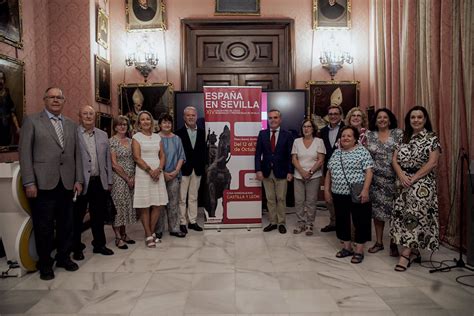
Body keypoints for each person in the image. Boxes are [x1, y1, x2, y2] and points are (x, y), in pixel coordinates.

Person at [19, 87, 83, 280]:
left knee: (66, 225)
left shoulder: (71, 125)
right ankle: (45, 263)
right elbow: (24, 154)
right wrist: (29, 182)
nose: (56, 100)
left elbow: (77, 155)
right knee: (44, 227)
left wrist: (78, 179)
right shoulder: (32, 121)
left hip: (66, 184)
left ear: (64, 101)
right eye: (52, 97)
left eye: (59, 97)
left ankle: (63, 257)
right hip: (42, 184)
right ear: (44, 100)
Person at [391, 106, 441, 271]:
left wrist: (414, 178)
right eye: (413, 117)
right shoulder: (403, 137)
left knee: (417, 218)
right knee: (403, 216)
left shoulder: (432, 138)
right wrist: (402, 176)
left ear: (425, 119)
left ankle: (405, 255)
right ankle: (414, 250)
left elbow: (432, 162)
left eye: (420, 117)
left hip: (422, 185)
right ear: (409, 119)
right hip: (403, 182)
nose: (416, 120)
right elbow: (394, 160)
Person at [324, 126, 373, 264]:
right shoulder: (336, 153)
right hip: (338, 193)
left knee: (360, 221)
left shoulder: (362, 152)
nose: (345, 138)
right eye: (343, 136)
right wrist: (327, 190)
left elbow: (369, 171)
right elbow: (329, 172)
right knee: (341, 220)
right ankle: (347, 247)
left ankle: (359, 250)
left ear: (355, 138)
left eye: (349, 136)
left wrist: (365, 190)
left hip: (357, 193)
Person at [72, 105, 114, 260]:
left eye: (91, 114)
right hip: (81, 182)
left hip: (99, 181)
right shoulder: (73, 134)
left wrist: (109, 180)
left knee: (98, 215)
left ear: (94, 116)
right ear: (79, 116)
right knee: (77, 217)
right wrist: (75, 180)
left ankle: (99, 245)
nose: (88, 116)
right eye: (85, 113)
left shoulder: (103, 135)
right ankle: (76, 248)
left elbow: (107, 160)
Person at [365, 109, 403, 257]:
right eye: (379, 117)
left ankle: (394, 243)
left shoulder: (398, 134)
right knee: (377, 212)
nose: (382, 120)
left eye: (385, 117)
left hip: (395, 179)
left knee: (395, 212)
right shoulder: (369, 135)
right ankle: (379, 242)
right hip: (375, 180)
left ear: (390, 119)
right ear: (375, 120)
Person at [132, 110, 168, 247]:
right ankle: (148, 234)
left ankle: (151, 232)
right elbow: (136, 157)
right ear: (139, 123)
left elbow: (162, 155)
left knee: (158, 204)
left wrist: (158, 169)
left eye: (148, 119)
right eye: (142, 119)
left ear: (151, 122)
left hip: (157, 173)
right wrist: (149, 170)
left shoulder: (157, 137)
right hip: (143, 173)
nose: (146, 121)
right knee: (145, 205)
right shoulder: (137, 137)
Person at [255, 109, 294, 234]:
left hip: (282, 172)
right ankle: (273, 222)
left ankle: (281, 223)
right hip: (266, 171)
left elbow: (290, 155)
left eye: (275, 117)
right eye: (270, 118)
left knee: (281, 198)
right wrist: (258, 170)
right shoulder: (262, 134)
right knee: (270, 198)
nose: (273, 120)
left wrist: (290, 171)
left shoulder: (287, 135)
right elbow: (257, 154)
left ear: (280, 119)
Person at [154, 113, 187, 238]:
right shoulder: (155, 138)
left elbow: (181, 157)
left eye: (169, 122)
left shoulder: (177, 139)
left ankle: (174, 228)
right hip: (159, 176)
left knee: (173, 202)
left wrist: (175, 171)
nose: (167, 124)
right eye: (164, 122)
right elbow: (153, 157)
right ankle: (158, 229)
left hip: (174, 175)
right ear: (160, 124)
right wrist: (162, 173)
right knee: (160, 204)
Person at [291, 119, 326, 236]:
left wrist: (310, 172)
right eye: (304, 126)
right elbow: (294, 159)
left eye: (309, 126)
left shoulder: (319, 141)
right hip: (298, 175)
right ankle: (301, 223)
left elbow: (321, 160)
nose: (306, 129)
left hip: (314, 176)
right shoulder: (296, 141)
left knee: (311, 201)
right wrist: (302, 172)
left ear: (313, 128)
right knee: (299, 201)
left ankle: (309, 224)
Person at [176, 106, 206, 233]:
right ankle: (182, 222)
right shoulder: (178, 133)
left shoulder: (203, 132)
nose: (191, 117)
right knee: (182, 198)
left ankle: (192, 221)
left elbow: (205, 151)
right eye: (188, 115)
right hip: (183, 169)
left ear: (196, 116)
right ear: (184, 117)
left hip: (198, 169)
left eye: (193, 115)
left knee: (193, 197)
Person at [109, 116, 137, 249]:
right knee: (118, 207)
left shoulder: (132, 141)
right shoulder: (112, 141)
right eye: (120, 124)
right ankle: (118, 237)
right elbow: (114, 164)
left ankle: (124, 233)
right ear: (115, 126)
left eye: (125, 124)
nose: (122, 127)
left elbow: (136, 159)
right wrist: (126, 178)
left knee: (126, 205)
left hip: (131, 178)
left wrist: (133, 177)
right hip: (119, 178)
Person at [320, 104, 344, 232]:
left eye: (336, 114)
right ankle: (333, 222)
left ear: (340, 115)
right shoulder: (323, 131)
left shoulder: (346, 129)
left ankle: (342, 224)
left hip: (343, 169)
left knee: (341, 198)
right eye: (331, 114)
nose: (333, 116)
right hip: (328, 169)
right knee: (329, 197)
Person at [0, 71, 20, 148]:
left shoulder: (7, 93)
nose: (0, 81)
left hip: (6, 127)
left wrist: (17, 127)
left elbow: (12, 112)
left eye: (2, 78)